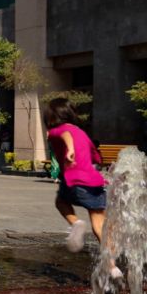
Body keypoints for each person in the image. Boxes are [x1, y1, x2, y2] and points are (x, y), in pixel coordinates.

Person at [44, 98, 122, 279]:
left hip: (74, 179)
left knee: (61, 202)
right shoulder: (82, 133)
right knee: (100, 223)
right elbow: (96, 156)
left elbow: (65, 135)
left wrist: (70, 150)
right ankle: (112, 267)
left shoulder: (56, 130)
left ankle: (76, 223)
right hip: (94, 182)